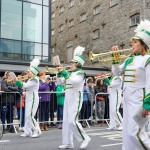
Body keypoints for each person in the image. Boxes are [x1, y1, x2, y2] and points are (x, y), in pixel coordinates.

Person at [111, 20, 150, 149]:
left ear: (143, 45)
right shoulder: (129, 60)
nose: (131, 44)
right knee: (127, 134)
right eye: (132, 42)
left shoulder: (147, 59)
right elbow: (116, 72)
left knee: (137, 134)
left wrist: (147, 103)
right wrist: (115, 59)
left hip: (140, 101)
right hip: (127, 101)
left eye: (135, 42)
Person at [57, 46, 91, 149]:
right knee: (66, 120)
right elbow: (60, 83)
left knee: (72, 120)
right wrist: (59, 74)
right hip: (68, 96)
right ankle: (68, 142)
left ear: (77, 64)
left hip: (76, 96)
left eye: (72, 62)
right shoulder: (70, 73)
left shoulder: (81, 73)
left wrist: (64, 73)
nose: (70, 64)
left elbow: (74, 81)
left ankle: (85, 138)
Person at [16, 58, 41, 138]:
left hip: (33, 98)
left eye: (29, 72)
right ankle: (27, 131)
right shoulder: (30, 79)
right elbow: (24, 88)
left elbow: (25, 86)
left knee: (30, 115)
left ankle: (37, 130)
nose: (28, 73)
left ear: (33, 72)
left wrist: (18, 81)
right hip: (29, 98)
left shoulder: (35, 79)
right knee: (27, 115)